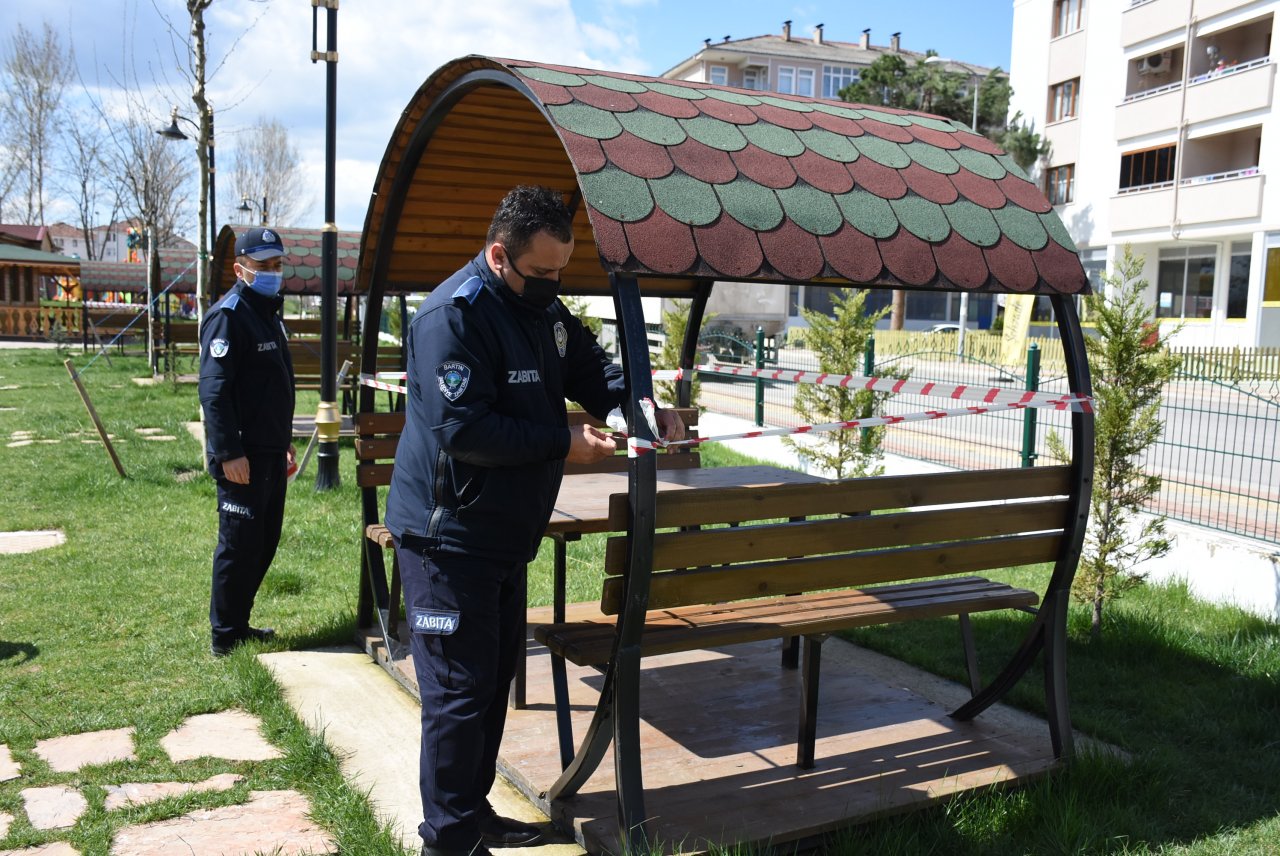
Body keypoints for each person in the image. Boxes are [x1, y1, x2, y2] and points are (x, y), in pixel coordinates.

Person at [385, 185, 683, 856]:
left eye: (561, 273)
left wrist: (634, 408)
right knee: (459, 696)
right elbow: (466, 430)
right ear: (500, 255)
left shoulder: (539, 309)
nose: (553, 286)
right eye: (542, 273)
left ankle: (472, 811)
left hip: (502, 535)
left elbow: (591, 366)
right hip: (446, 540)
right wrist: (563, 443)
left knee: (490, 688)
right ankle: (450, 841)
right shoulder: (450, 319)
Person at [198, 226, 296, 658]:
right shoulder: (229, 315)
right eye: (264, 267)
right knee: (238, 545)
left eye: (278, 265)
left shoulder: (267, 312)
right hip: (242, 455)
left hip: (270, 452)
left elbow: (273, 388)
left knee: (264, 541)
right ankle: (224, 637)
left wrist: (284, 443)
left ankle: (240, 623)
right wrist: (229, 452)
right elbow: (214, 391)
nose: (274, 273)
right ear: (240, 269)